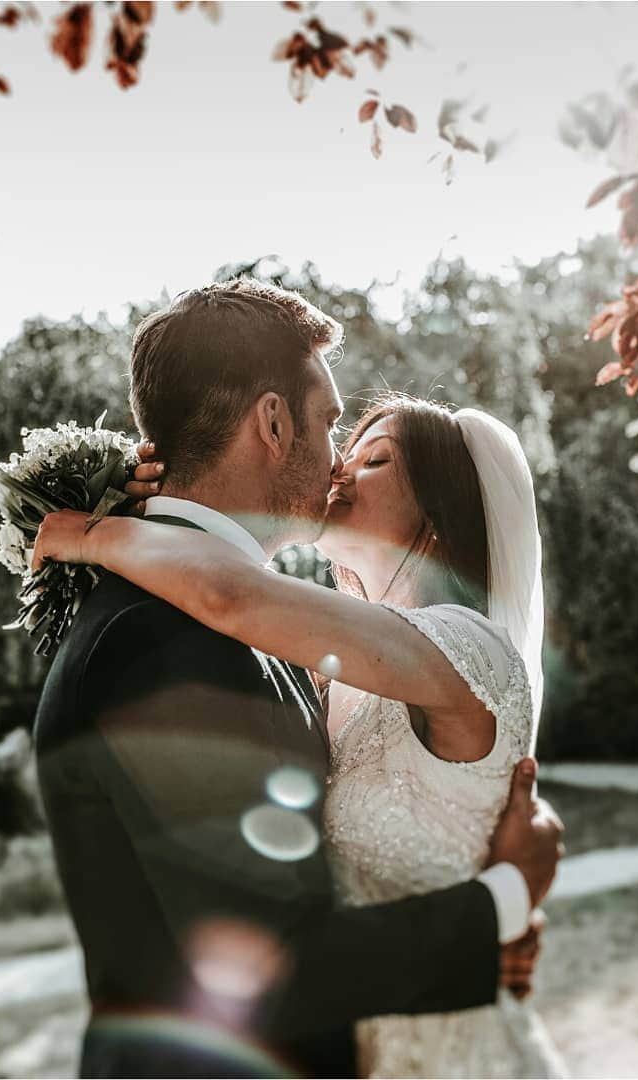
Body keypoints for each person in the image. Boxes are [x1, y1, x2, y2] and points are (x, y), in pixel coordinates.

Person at [32, 278, 564, 1079]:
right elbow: (266, 964)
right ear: (273, 423)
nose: (339, 461)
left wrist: (101, 531)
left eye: (368, 451)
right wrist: (496, 908)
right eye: (331, 424)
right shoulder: (161, 637)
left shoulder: (267, 627)